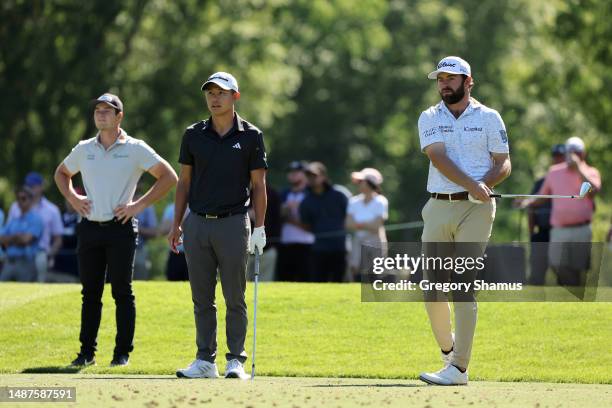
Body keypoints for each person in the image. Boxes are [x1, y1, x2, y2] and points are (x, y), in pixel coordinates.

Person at [54, 92, 177, 367]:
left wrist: (138, 206)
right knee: (90, 293)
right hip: (89, 228)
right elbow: (61, 174)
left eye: (107, 110)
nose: (101, 114)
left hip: (121, 228)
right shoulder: (84, 148)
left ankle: (121, 354)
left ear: (119, 116)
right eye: (98, 110)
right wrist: (74, 199)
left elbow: (169, 177)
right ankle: (86, 353)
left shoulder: (135, 148)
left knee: (122, 291)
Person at [417, 56, 511, 386]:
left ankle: (458, 368)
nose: (444, 83)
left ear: (468, 81)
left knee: (462, 286)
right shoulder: (429, 116)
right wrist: (472, 184)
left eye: (451, 78)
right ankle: (448, 351)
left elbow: (504, 163)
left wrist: (485, 184)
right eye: (440, 78)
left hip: (477, 210)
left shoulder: (489, 117)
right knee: (432, 291)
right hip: (439, 206)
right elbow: (438, 157)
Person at [170, 72, 267, 380]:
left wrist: (260, 227)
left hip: (234, 223)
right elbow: (183, 182)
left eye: (221, 93)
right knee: (202, 298)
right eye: (210, 93)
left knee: (234, 296)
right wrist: (176, 225)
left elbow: (259, 185)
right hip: (197, 223)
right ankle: (204, 360)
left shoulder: (251, 136)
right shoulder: (193, 134)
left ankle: (235, 360)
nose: (214, 98)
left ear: (234, 96)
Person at [527, 136, 601, 286]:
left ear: (583, 154)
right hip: (559, 229)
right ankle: (571, 290)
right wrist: (527, 201)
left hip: (581, 228)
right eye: (570, 151)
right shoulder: (554, 172)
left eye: (577, 152)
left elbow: (593, 191)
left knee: (578, 267)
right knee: (556, 264)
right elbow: (543, 196)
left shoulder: (590, 171)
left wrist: (579, 168)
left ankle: (573, 297)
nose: (573, 155)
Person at [7, 171, 63, 281]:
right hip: (16, 252)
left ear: (41, 187)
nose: (30, 189)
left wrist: (50, 255)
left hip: (40, 254)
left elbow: (58, 240)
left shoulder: (52, 210)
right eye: (28, 186)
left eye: (33, 186)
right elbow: (7, 233)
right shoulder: (15, 207)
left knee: (41, 259)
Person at [523, 144, 566, 285]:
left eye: (561, 157)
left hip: (561, 230)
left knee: (563, 272)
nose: (558, 160)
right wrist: (531, 231)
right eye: (556, 157)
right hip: (542, 231)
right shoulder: (542, 182)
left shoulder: (571, 180)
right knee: (537, 271)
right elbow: (531, 206)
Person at [299, 162, 349, 282]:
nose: (311, 179)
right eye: (308, 176)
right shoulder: (306, 201)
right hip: (318, 248)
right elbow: (306, 225)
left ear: (324, 177)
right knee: (318, 282)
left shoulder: (339, 195)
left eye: (314, 175)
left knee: (339, 282)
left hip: (339, 247)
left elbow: (348, 217)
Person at [345, 168, 388, 282]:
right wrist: (367, 225)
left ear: (370, 183)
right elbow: (348, 223)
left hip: (376, 240)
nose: (358, 184)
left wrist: (358, 224)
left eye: (361, 181)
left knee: (375, 271)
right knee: (355, 269)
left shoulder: (380, 201)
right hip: (358, 240)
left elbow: (376, 226)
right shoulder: (353, 201)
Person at [276, 161, 315, 282]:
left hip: (307, 245)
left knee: (306, 281)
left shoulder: (312, 194)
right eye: (290, 172)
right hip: (285, 244)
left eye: (297, 172)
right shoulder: (283, 194)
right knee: (284, 281)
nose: (292, 175)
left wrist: (291, 217)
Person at [0, 186, 44, 282]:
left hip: (26, 263)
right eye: (18, 199)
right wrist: (17, 237)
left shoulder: (36, 219)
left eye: (23, 198)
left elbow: (26, 240)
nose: (20, 202)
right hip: (9, 262)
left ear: (31, 200)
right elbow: (1, 239)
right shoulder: (14, 220)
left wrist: (10, 239)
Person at [247, 183, 281, 281]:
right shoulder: (237, 192)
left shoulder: (272, 193)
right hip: (241, 249)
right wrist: (246, 214)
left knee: (263, 284)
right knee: (240, 285)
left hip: (268, 248)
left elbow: (277, 221)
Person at [159, 202, 189, 281]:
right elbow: (162, 230)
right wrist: (179, 223)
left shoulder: (199, 207)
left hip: (196, 254)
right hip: (176, 254)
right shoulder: (171, 208)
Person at [133, 189, 158, 280]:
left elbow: (153, 232)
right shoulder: (118, 199)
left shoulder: (146, 203)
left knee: (140, 282)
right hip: (116, 249)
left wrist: (135, 228)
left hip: (140, 251)